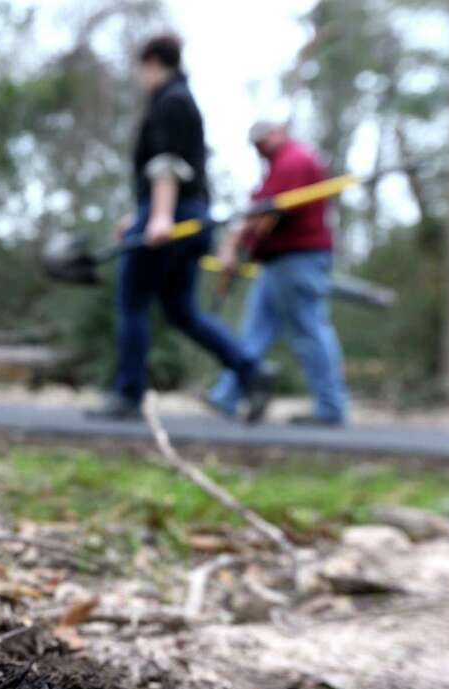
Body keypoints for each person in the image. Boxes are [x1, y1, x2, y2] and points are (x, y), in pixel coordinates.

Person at [93, 34, 271, 421]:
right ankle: (251, 370)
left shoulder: (171, 101)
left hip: (174, 215)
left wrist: (158, 216)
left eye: (141, 68)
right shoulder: (181, 100)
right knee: (182, 311)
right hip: (191, 214)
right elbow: (178, 172)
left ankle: (128, 394)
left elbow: (168, 164)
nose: (140, 77)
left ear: (153, 62)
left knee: (133, 301)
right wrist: (140, 213)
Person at [207, 122, 349, 426]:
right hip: (275, 261)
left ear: (279, 133)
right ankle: (227, 396)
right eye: (255, 144)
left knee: (309, 328)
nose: (260, 148)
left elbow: (265, 213)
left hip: (298, 259)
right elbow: (259, 211)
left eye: (263, 140)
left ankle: (330, 407)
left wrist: (234, 243)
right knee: (255, 331)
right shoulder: (277, 166)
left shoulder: (293, 160)